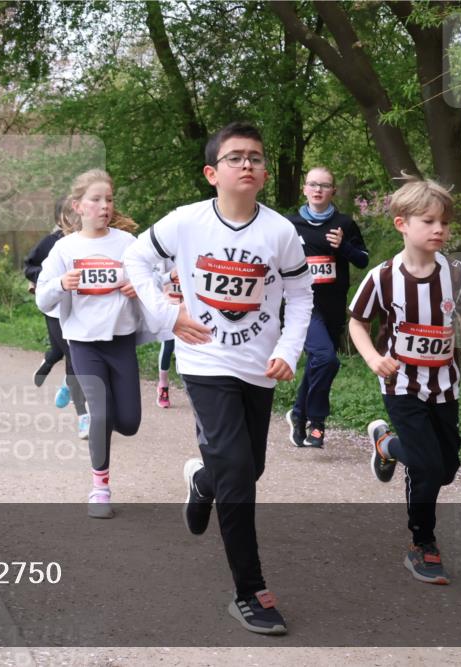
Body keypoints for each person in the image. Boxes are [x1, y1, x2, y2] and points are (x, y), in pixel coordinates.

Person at [124, 122, 313, 635]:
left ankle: (201, 480)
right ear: (213, 173)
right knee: (237, 470)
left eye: (255, 156)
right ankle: (250, 591)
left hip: (260, 365)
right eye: (235, 157)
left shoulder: (280, 232)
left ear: (266, 171)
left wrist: (288, 349)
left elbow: (300, 297)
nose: (246, 164)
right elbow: (136, 259)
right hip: (205, 362)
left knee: (245, 471)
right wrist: (166, 315)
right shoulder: (185, 223)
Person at [348, 177, 461, 586]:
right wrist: (374, 358)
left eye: (444, 224)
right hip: (402, 385)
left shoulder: (458, 274)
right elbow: (357, 322)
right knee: (427, 467)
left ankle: (386, 445)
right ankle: (422, 543)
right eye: (428, 221)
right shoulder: (382, 277)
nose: (439, 230)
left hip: (445, 384)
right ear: (402, 224)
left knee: (446, 468)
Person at [37, 170, 146, 519]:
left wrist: (138, 287)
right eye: (96, 199)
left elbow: (153, 280)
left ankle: (106, 419)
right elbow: (42, 298)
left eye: (109, 199)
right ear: (78, 206)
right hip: (84, 344)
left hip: (121, 341)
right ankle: (100, 488)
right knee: (99, 413)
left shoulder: (128, 243)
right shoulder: (64, 249)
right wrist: (61, 284)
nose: (104, 206)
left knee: (128, 422)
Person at [285, 167, 369, 448]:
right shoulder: (290, 225)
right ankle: (317, 421)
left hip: (333, 306)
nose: (318, 189)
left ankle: (298, 414)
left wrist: (343, 246)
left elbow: (361, 260)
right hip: (303, 306)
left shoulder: (344, 223)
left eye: (325, 185)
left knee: (319, 362)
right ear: (304, 189)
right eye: (313, 184)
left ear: (332, 191)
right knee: (327, 359)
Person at [24, 197, 90, 435]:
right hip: (55, 310)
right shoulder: (51, 242)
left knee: (77, 360)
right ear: (62, 217)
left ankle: (67, 383)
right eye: (72, 214)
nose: (78, 217)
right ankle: (84, 416)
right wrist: (51, 277)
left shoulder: (93, 241)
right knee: (74, 357)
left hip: (83, 310)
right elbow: (28, 266)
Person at [155, 262, 184, 408]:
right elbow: (156, 279)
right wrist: (171, 276)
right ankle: (163, 385)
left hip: (188, 306)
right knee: (168, 345)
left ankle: (191, 384)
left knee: (189, 345)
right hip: (169, 304)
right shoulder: (163, 251)